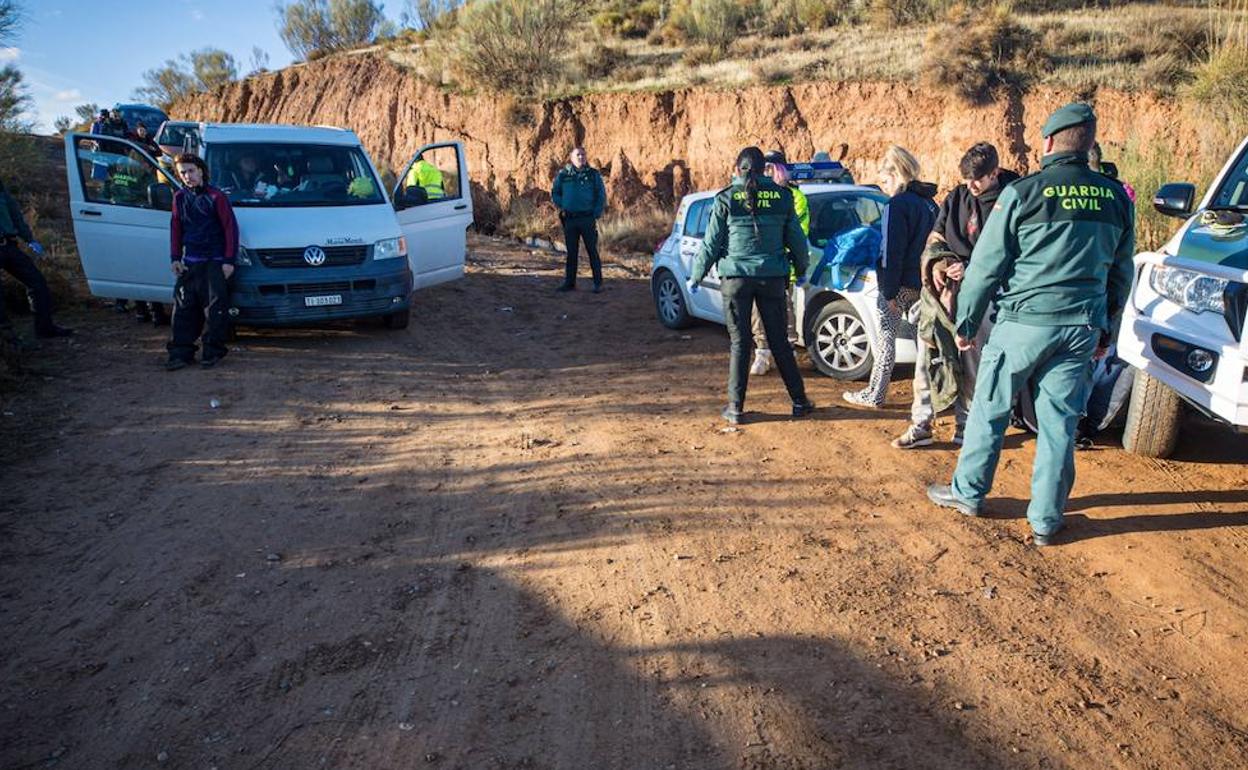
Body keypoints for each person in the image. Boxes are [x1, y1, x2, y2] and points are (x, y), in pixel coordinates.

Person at [926, 103, 1135, 547]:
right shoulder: (1115, 197)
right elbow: (1121, 272)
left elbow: (985, 267)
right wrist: (1106, 328)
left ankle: (968, 493)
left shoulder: (1024, 193)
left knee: (990, 407)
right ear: (1089, 143)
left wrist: (965, 322)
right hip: (1081, 326)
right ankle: (1045, 520)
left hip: (1024, 322)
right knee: (1059, 423)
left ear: (1048, 142)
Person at [892, 142, 1019, 449]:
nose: (971, 186)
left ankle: (966, 426)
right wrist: (939, 262)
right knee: (927, 357)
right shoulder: (957, 196)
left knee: (973, 363)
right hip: (943, 295)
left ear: (994, 173)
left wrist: (972, 268)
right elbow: (935, 237)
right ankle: (921, 423)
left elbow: (1015, 253)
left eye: (978, 180)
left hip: (987, 297)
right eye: (967, 180)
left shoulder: (1013, 199)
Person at [688, 146, 815, 425]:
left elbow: (711, 243)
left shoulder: (725, 198)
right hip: (772, 278)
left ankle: (735, 408)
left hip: (735, 279)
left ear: (737, 169)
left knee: (740, 343)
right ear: (763, 170)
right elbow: (797, 241)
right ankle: (799, 402)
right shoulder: (783, 197)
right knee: (780, 342)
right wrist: (801, 270)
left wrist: (696, 276)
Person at [843, 145, 937, 408]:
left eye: (885, 181)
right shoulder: (929, 203)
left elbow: (891, 251)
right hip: (925, 283)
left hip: (900, 284)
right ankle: (934, 394)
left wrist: (888, 291)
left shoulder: (896, 205)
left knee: (885, 339)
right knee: (926, 341)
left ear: (896, 174)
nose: (884, 188)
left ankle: (876, 393)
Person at [166, 153, 238, 371]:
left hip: (214, 262)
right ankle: (180, 353)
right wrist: (175, 257)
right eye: (183, 173)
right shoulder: (179, 197)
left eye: (191, 171)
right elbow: (176, 228)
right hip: (190, 262)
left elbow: (230, 229)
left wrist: (229, 260)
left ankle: (212, 352)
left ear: (201, 171)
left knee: (215, 312)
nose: (187, 176)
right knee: (183, 310)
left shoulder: (217, 197)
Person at [749, 149, 809, 376]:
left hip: (783, 266)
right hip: (760, 266)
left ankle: (788, 354)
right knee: (758, 312)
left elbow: (797, 233)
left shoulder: (795, 197)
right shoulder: (757, 194)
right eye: (764, 168)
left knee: (784, 311)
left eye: (770, 168)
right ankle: (762, 353)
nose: (766, 172)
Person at [0, 177, 72, 344]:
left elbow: (14, 214)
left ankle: (44, 328)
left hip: (8, 245)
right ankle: (7, 338)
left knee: (37, 282)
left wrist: (29, 238)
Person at [551, 147, 607, 293]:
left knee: (592, 251)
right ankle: (570, 283)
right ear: (571, 158)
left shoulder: (593, 174)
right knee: (571, 252)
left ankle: (598, 283)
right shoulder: (564, 174)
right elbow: (555, 192)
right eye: (578, 155)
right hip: (570, 219)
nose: (581, 157)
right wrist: (563, 204)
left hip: (587, 218)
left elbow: (601, 194)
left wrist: (596, 213)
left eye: (583, 154)